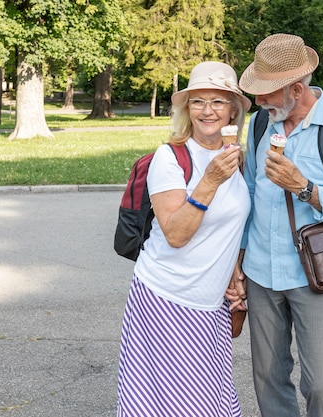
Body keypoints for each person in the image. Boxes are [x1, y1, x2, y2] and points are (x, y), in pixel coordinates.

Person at [233, 33, 323, 417]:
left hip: (315, 274)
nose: (257, 102)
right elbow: (250, 197)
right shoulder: (260, 124)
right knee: (267, 376)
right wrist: (239, 262)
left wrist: (305, 188)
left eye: (265, 94)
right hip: (261, 271)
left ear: (296, 88)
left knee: (322, 382)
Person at [117, 61, 252, 417]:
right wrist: (208, 181)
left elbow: (233, 225)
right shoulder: (170, 158)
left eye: (218, 102)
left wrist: (236, 273)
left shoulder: (237, 157)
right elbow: (175, 234)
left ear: (233, 110)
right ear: (186, 109)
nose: (208, 111)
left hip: (212, 305)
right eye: (198, 101)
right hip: (167, 297)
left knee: (209, 402)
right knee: (176, 405)